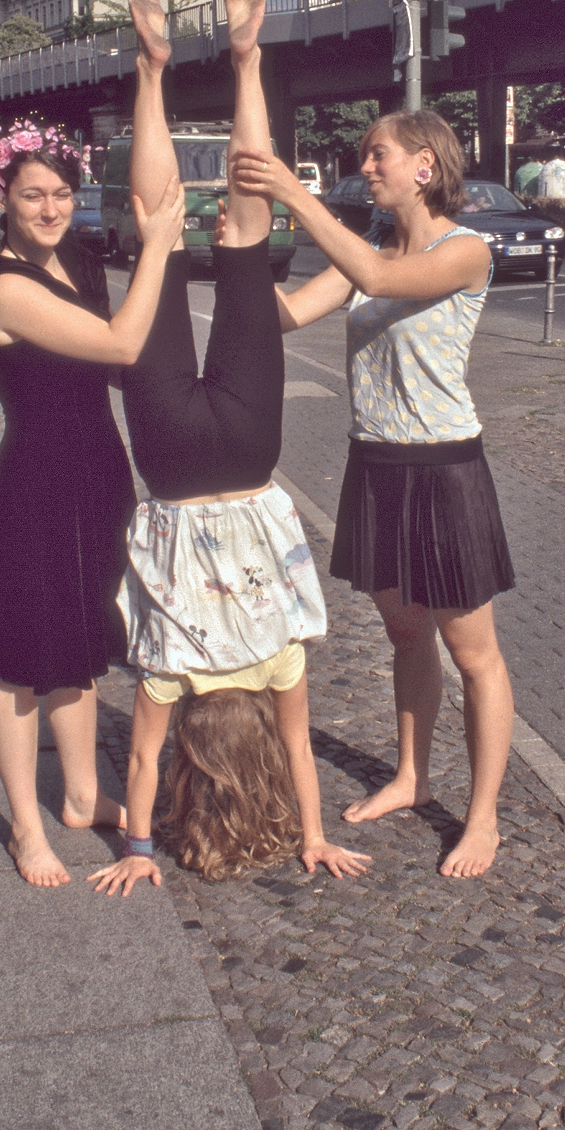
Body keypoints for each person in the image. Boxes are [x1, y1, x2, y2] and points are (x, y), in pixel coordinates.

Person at [88, 0, 370, 897]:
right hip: (173, 466)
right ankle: (154, 72)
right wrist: (136, 849)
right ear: (200, 768)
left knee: (245, 241)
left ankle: (248, 63)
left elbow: (298, 750)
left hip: (246, 458)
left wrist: (313, 836)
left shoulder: (280, 661)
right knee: (158, 240)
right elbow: (138, 769)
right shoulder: (165, 676)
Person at [233, 109, 516, 879]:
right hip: (377, 464)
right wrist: (225, 256)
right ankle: (411, 774)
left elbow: (382, 281)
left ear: (425, 166)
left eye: (378, 154)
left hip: (444, 468)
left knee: (472, 652)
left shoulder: (465, 251)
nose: (366, 166)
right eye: (363, 155)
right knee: (402, 633)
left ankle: (483, 817)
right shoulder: (372, 251)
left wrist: (294, 190)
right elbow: (285, 314)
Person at [0, 130, 184, 887]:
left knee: (78, 645)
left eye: (61, 194)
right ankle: (23, 826)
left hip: (95, 476)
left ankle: (81, 796)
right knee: (19, 662)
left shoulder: (75, 263)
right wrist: (158, 248)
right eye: (31, 195)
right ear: (1, 199)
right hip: (36, 484)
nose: (49, 208)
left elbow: (121, 367)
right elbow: (116, 345)